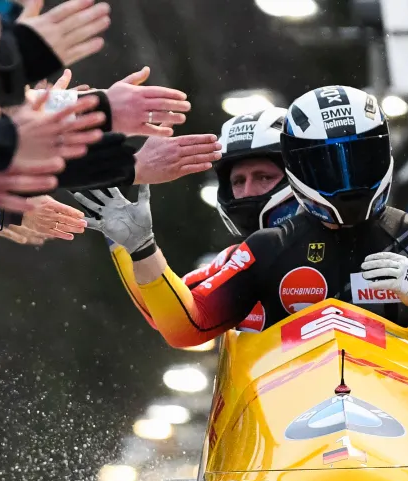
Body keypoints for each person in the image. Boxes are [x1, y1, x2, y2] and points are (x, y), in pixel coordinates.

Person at [80, 85, 408, 361]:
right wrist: (140, 247)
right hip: (289, 432)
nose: (345, 181)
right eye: (326, 166)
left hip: (400, 421)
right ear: (299, 169)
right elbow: (186, 326)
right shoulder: (267, 248)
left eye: (358, 159)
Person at [97, 106, 301, 333]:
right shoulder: (235, 259)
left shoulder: (344, 240)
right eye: (238, 181)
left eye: (264, 177)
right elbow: (168, 314)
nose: (247, 192)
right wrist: (131, 245)